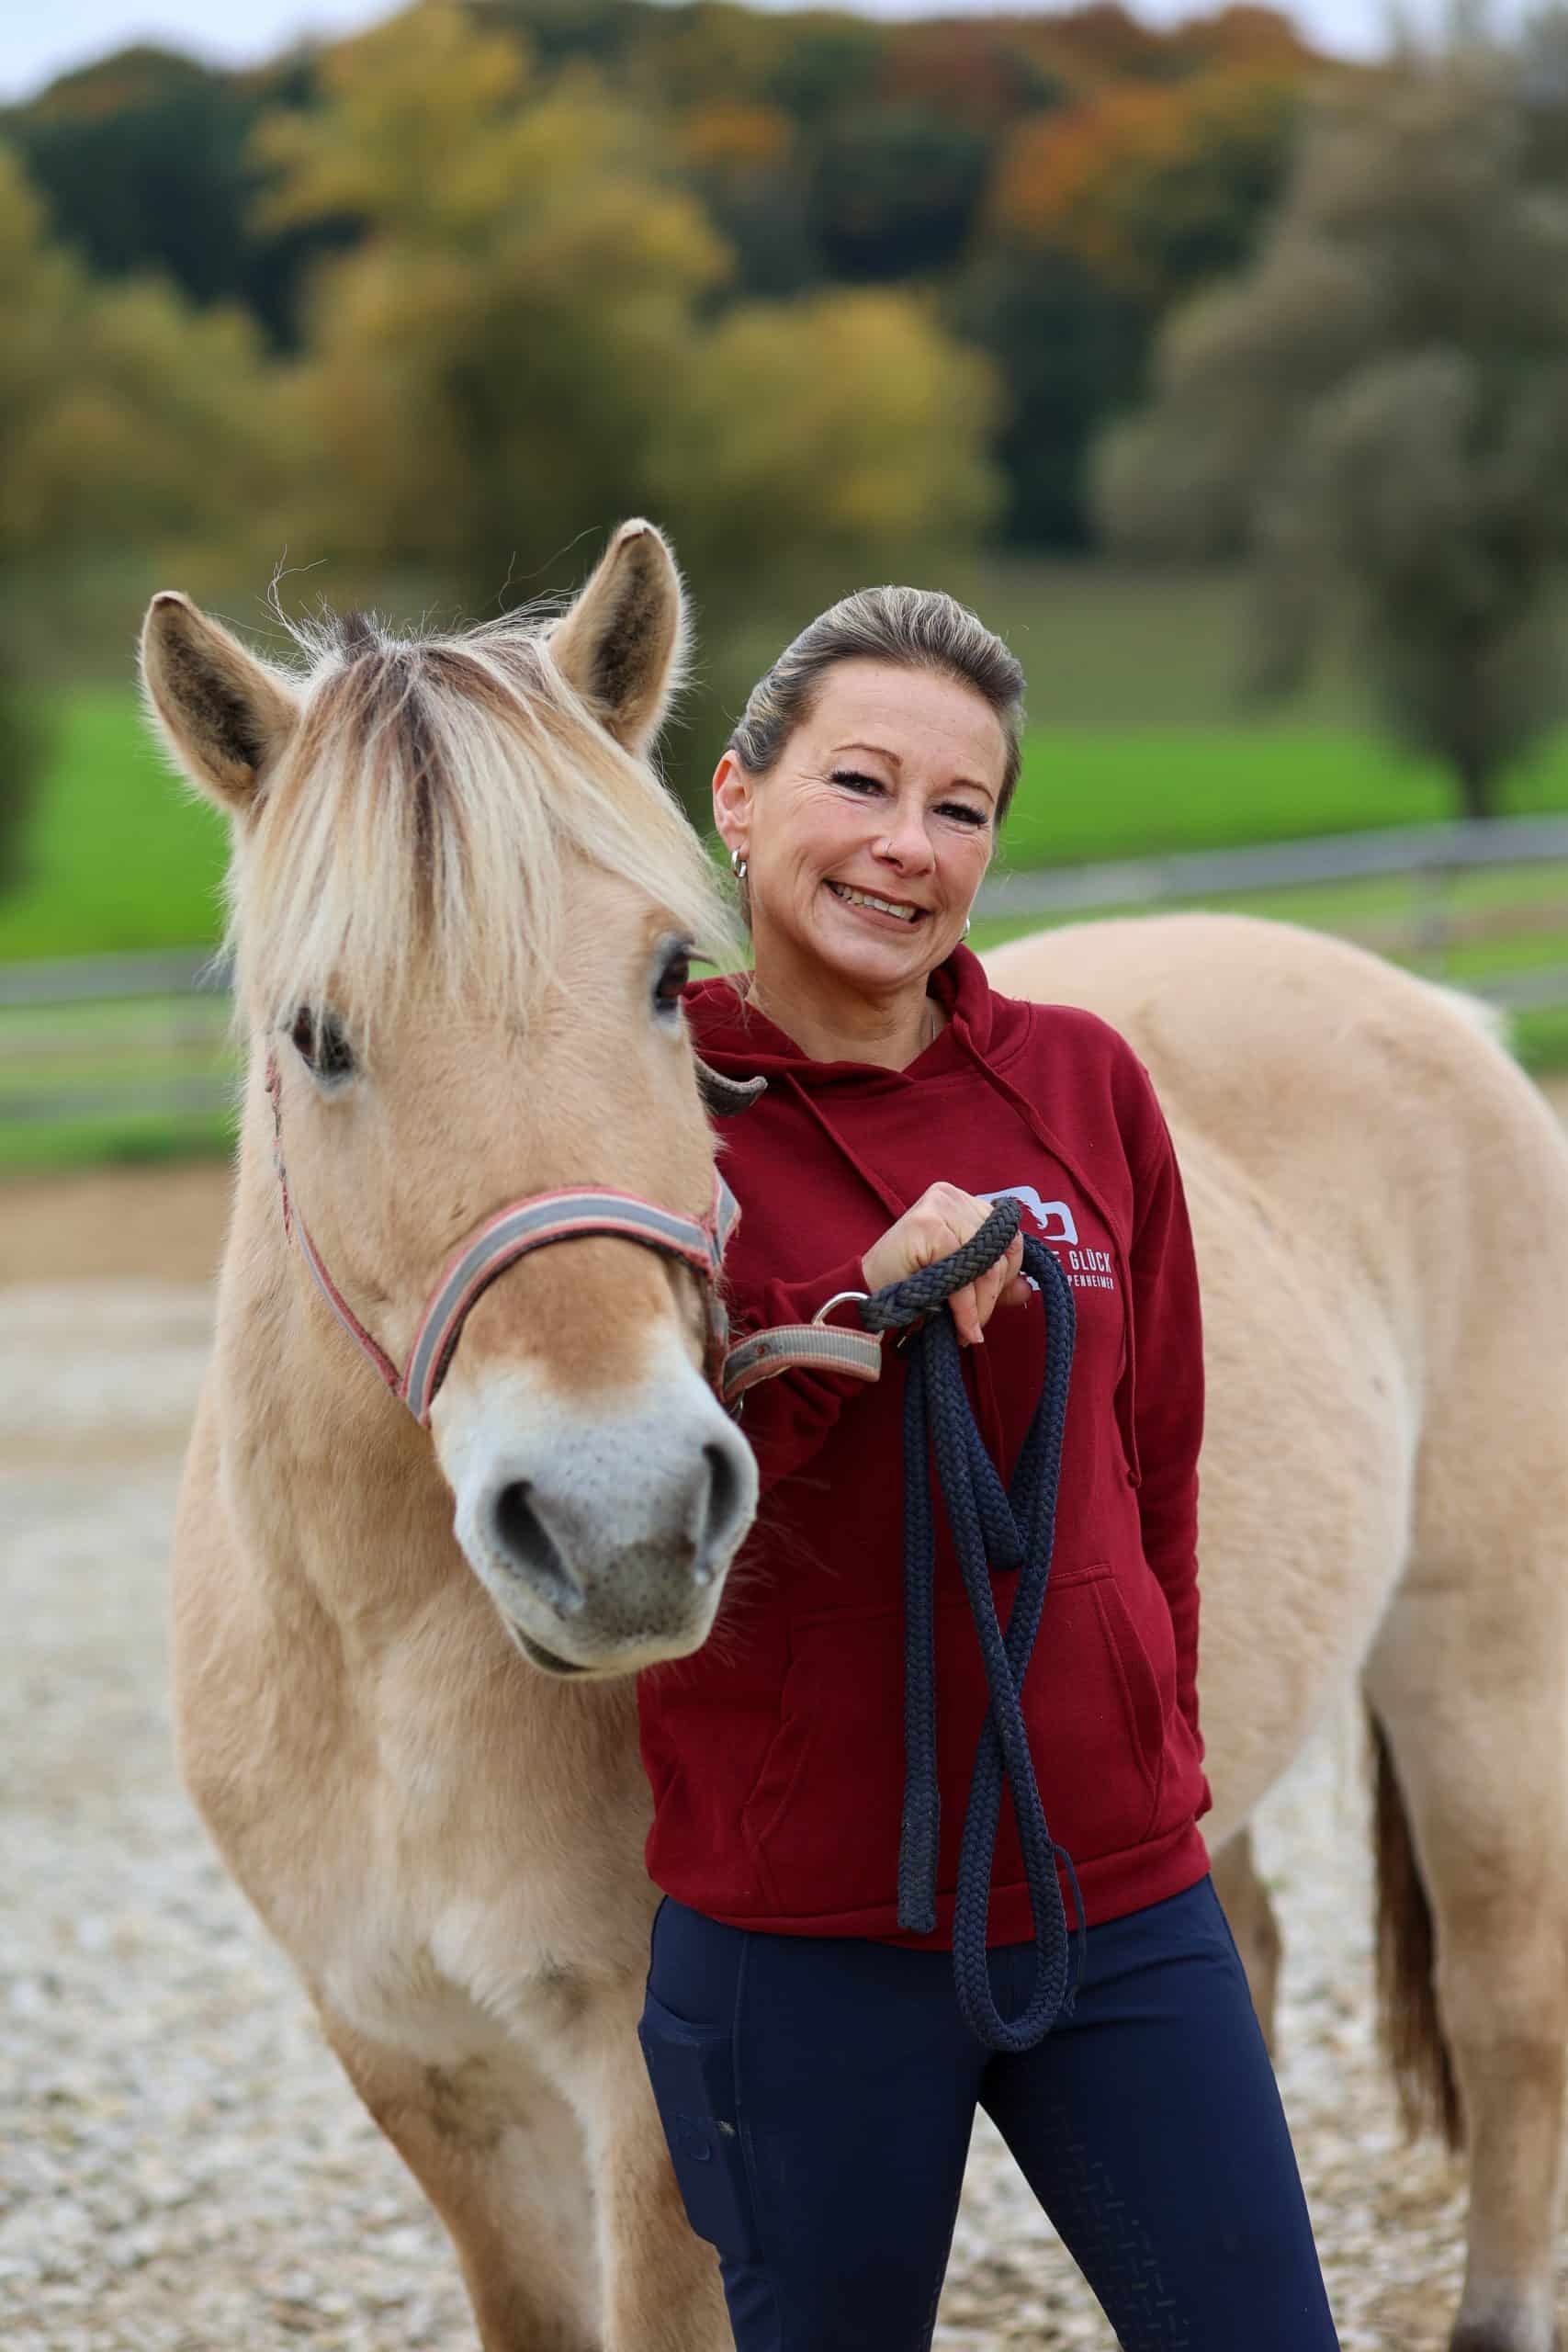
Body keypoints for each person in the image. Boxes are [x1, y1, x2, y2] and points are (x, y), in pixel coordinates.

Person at [635, 587, 1339, 2352]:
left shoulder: (1080, 1085)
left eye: (961, 811)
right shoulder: (647, 1113)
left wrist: (1151, 1745)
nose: (906, 848)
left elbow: (1153, 1446)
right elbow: (653, 1512)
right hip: (807, 1936)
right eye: (859, 784)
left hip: (1115, 1902)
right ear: (735, 795)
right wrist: (843, 1326)